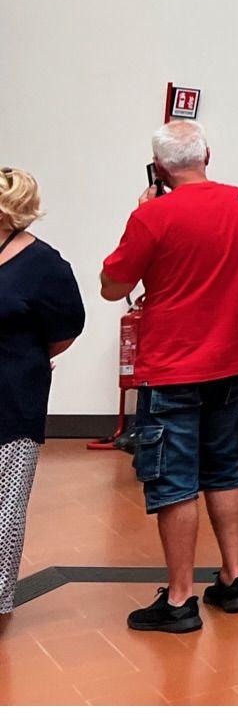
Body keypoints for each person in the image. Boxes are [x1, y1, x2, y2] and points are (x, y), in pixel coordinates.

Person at [98, 121, 238, 634]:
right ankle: (234, 579)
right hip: (233, 360)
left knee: (174, 479)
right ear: (207, 155)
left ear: (159, 167)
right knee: (224, 469)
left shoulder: (152, 215)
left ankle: (179, 599)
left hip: (171, 367)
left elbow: (113, 286)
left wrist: (140, 213)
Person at [1, 169, 87, 618]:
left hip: (14, 398)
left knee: (5, 507)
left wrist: (26, 359)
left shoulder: (44, 266)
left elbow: (65, 329)